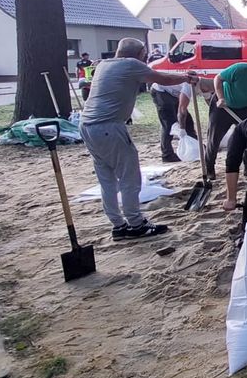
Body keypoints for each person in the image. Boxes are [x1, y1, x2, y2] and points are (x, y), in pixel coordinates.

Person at [79, 38, 198, 240]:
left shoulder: (103, 65)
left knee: (106, 178)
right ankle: (136, 224)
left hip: (87, 126)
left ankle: (118, 226)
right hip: (109, 126)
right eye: (144, 53)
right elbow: (161, 78)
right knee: (130, 177)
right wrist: (186, 77)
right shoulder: (131, 64)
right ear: (141, 52)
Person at [150, 79, 196, 162]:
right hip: (161, 91)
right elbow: (182, 110)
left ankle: (195, 146)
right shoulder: (188, 86)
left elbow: (209, 99)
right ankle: (167, 154)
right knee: (169, 124)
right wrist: (182, 129)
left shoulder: (205, 86)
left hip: (174, 93)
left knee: (188, 122)